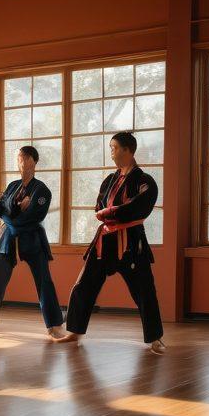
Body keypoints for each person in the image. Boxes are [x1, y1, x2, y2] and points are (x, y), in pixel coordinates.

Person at [57, 130, 165, 353]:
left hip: (132, 241)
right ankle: (74, 330)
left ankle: (155, 338)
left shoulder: (145, 181)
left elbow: (139, 206)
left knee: (144, 290)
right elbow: (99, 207)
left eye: (114, 148)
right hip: (105, 240)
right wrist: (107, 212)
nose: (112, 153)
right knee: (84, 283)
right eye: (111, 149)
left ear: (128, 150)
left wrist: (112, 211)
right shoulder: (110, 179)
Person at [0, 145, 65, 337]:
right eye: (18, 158)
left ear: (33, 161)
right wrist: (15, 209)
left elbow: (33, 216)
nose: (21, 161)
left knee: (43, 280)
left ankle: (54, 324)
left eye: (24, 158)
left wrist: (11, 213)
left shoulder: (42, 190)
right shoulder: (13, 186)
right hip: (9, 237)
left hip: (32, 238)